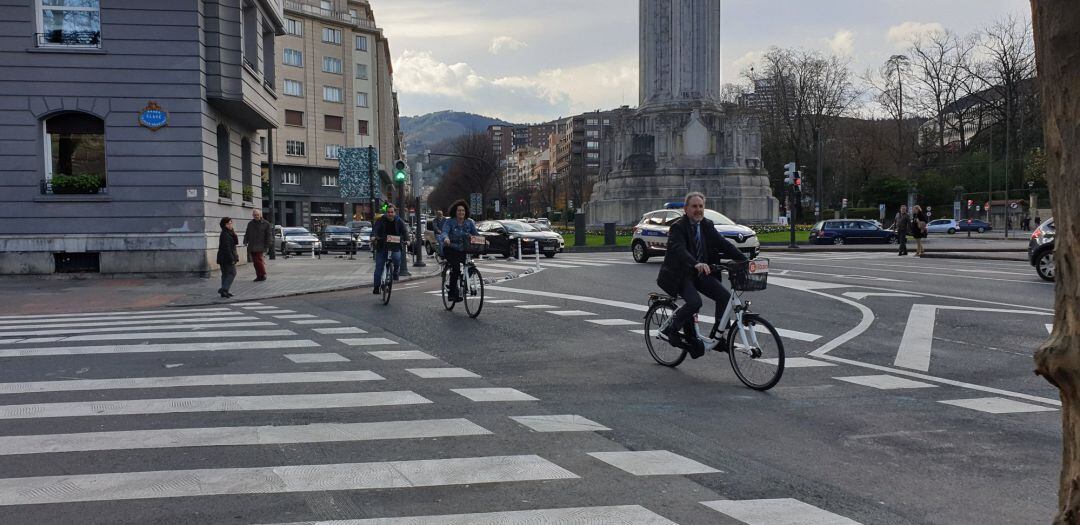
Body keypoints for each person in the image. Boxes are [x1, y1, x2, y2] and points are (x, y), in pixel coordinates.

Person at [656, 192, 748, 359]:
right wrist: (695, 262)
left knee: (725, 297)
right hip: (680, 274)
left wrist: (744, 260)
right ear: (686, 209)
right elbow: (679, 249)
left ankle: (717, 335)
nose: (698, 210)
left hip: (700, 272)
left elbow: (722, 243)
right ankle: (671, 328)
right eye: (694, 206)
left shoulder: (706, 225)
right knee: (695, 303)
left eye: (701, 206)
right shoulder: (678, 227)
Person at [438, 199, 480, 302]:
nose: (461, 212)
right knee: (456, 268)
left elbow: (476, 234)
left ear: (466, 212)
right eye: (459, 210)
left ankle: (463, 282)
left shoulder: (469, 222)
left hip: (464, 249)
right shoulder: (450, 221)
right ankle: (452, 293)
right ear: (455, 212)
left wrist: (483, 240)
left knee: (471, 267)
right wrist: (446, 238)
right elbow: (444, 232)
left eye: (463, 211)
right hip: (450, 248)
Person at [371, 204, 409, 294]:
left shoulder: (399, 221)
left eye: (392, 212)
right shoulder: (381, 220)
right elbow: (375, 229)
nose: (390, 214)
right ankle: (376, 286)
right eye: (388, 212)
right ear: (386, 212)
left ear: (395, 212)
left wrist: (407, 240)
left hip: (395, 246)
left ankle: (395, 272)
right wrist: (373, 236)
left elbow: (405, 231)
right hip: (382, 245)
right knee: (378, 267)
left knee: (397, 259)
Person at [243, 209, 273, 282]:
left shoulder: (266, 224)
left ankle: (263, 274)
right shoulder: (250, 223)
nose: (256, 216)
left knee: (258, 260)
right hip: (252, 245)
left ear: (260, 215)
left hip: (261, 245)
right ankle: (259, 276)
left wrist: (268, 244)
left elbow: (269, 235)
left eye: (257, 215)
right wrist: (245, 241)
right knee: (255, 262)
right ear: (253, 215)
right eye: (255, 215)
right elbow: (247, 233)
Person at [216, 217, 239, 298]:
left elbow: (236, 242)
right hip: (226, 258)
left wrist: (233, 232)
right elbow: (227, 248)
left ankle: (224, 292)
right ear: (224, 225)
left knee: (225, 275)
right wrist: (231, 259)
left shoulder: (229, 232)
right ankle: (224, 289)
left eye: (231, 223)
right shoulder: (225, 234)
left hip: (224, 257)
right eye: (228, 223)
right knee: (232, 273)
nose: (230, 225)